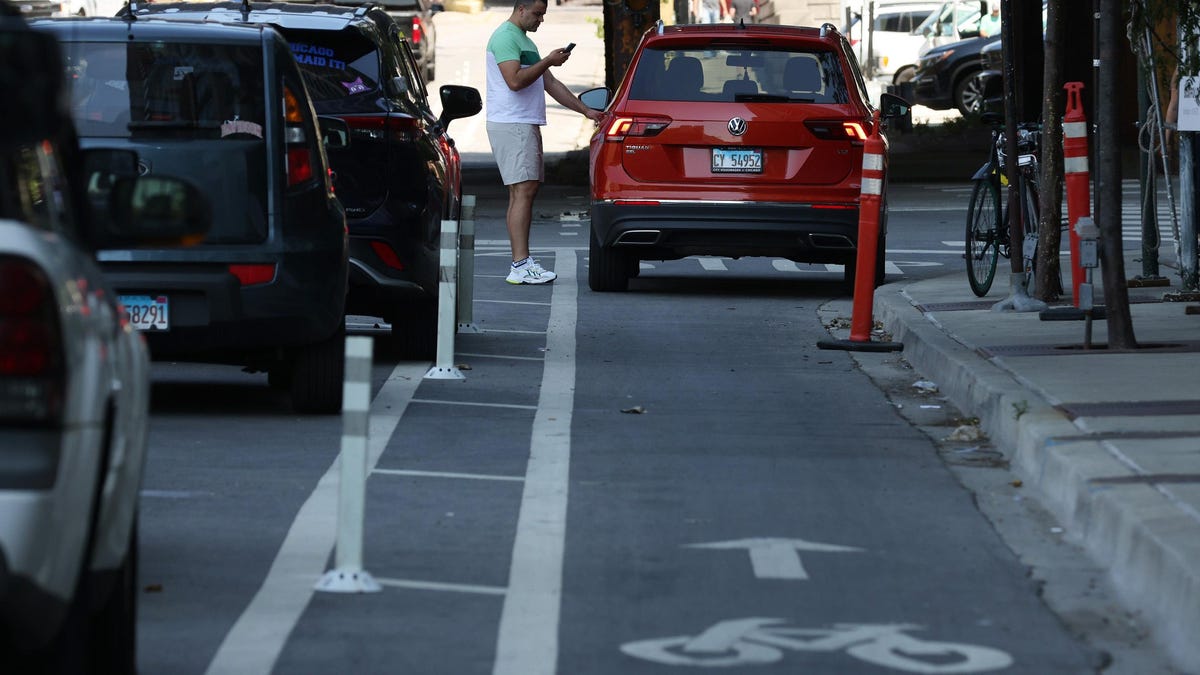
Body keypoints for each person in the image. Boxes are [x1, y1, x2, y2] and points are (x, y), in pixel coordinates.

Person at [486, 0, 603, 284]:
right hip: (512, 123)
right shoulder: (504, 37)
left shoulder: (524, 42)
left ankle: (521, 262)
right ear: (521, 9)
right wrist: (547, 61)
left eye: (544, 15)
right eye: (537, 14)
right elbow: (514, 81)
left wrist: (585, 110)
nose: (541, 20)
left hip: (522, 123)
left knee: (524, 191)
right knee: (522, 191)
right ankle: (520, 264)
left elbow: (548, 83)